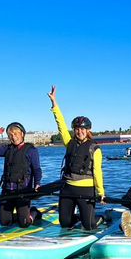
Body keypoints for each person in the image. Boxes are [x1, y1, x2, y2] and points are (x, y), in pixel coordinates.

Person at [48, 85, 105, 229]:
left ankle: (99, 218)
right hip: (67, 188)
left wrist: (101, 192)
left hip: (86, 189)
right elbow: (60, 124)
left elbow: (97, 172)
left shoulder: (95, 149)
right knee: (65, 223)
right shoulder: (69, 143)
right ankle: (79, 217)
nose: (79, 132)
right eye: (77, 129)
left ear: (88, 130)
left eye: (82, 129)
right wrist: (54, 103)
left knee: (89, 226)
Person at [0, 122, 43, 227]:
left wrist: (37, 183)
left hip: (23, 191)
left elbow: (37, 169)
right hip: (7, 191)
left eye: (16, 134)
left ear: (22, 134)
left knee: (24, 224)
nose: (14, 137)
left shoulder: (31, 150)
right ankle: (19, 215)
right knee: (5, 222)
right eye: (11, 135)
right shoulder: (7, 149)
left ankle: (34, 212)